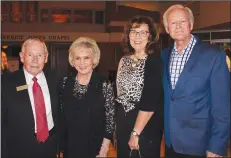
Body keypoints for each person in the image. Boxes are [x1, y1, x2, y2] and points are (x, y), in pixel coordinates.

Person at [162, 4, 230, 158]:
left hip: (201, 145)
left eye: (183, 21)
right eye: (173, 23)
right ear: (167, 28)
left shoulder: (214, 56)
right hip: (171, 143)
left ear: (191, 25)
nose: (178, 26)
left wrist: (217, 145)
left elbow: (222, 106)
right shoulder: (163, 56)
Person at [1, 38, 60, 158]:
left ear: (46, 57)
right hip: (18, 149)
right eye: (30, 55)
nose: (35, 60)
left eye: (39, 55)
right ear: (22, 57)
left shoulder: (57, 80)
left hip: (49, 147)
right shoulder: (6, 83)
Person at [115, 15, 164, 158]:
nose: (138, 36)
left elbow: (150, 102)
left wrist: (136, 132)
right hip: (124, 121)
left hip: (144, 125)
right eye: (134, 32)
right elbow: (119, 94)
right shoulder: (123, 60)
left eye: (143, 32)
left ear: (150, 37)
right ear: (128, 35)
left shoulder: (154, 62)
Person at [59, 37, 116, 158]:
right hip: (70, 148)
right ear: (72, 61)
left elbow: (110, 121)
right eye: (78, 58)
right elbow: (61, 117)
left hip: (95, 148)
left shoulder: (104, 84)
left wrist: (104, 149)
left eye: (86, 58)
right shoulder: (64, 83)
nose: (82, 63)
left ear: (93, 60)